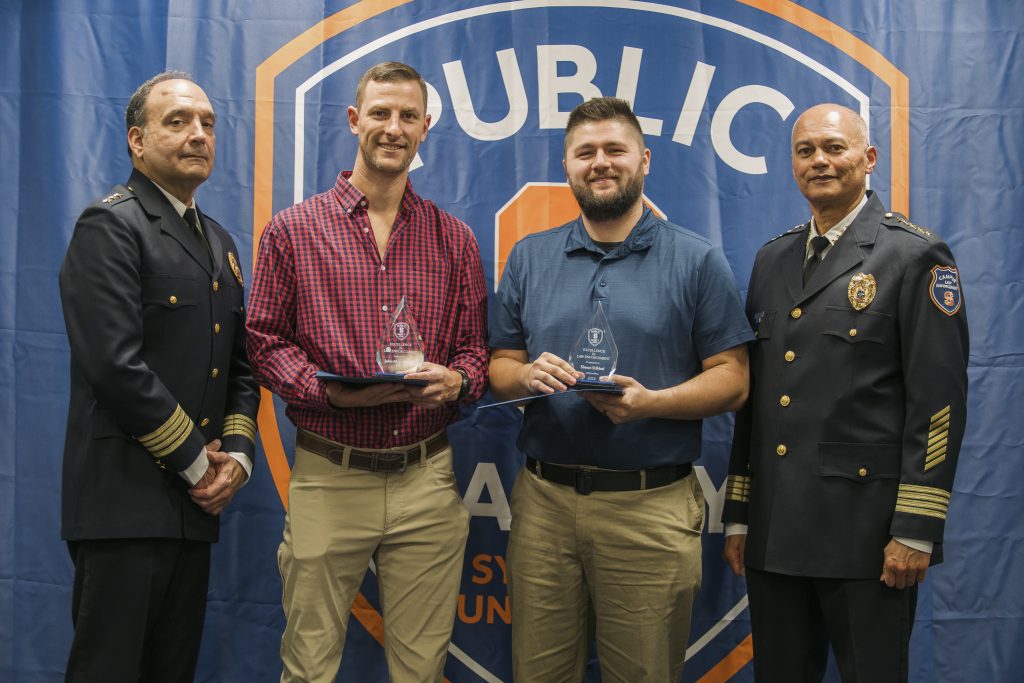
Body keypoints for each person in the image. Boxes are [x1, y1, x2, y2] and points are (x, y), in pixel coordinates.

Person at [489, 97, 753, 682]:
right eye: (585, 152)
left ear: (645, 160)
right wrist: (527, 375)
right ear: (567, 166)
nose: (600, 162)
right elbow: (500, 363)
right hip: (544, 508)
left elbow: (734, 379)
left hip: (649, 509)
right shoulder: (530, 257)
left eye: (615, 149)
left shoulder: (696, 259)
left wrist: (652, 404)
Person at [246, 61, 488, 683]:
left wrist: (458, 382)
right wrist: (327, 397)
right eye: (380, 112)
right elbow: (264, 341)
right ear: (355, 120)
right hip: (331, 475)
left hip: (426, 480)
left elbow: (474, 351)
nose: (393, 127)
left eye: (408, 115)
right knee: (308, 668)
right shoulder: (292, 232)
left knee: (421, 671)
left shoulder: (454, 240)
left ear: (426, 127)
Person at [721, 103, 970, 682]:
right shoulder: (772, 259)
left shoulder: (914, 256)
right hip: (776, 530)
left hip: (868, 537)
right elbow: (758, 403)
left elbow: (939, 405)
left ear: (868, 158)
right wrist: (740, 512)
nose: (820, 161)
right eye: (806, 151)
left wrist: (916, 527)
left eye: (834, 147)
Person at [59, 71, 259, 682]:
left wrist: (240, 460)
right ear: (136, 141)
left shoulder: (219, 242)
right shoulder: (110, 227)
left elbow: (240, 369)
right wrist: (201, 465)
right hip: (124, 506)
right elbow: (115, 367)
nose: (198, 134)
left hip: (193, 512)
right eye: (178, 121)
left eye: (207, 122)